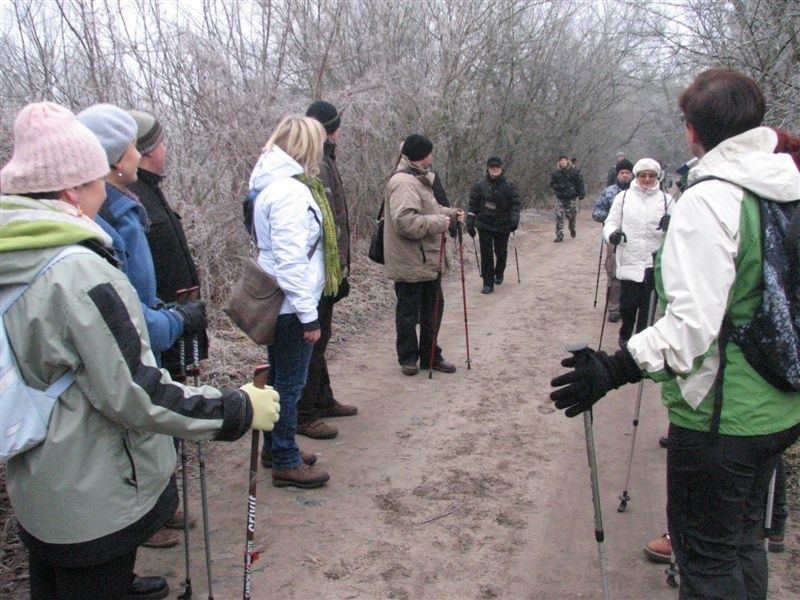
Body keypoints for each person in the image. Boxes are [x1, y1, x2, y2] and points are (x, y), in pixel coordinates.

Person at [0, 101, 280, 600]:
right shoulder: (78, 272)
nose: (102, 195)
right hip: (95, 498)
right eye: (94, 185)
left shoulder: (15, 253)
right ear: (70, 191)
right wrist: (235, 409)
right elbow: (134, 392)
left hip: (41, 486)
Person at [551, 69, 800, 599]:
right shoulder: (787, 183)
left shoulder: (711, 199)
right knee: (741, 543)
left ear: (690, 130)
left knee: (707, 562)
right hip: (780, 407)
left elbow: (692, 326)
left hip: (720, 417)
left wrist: (616, 368)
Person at [78, 103, 206, 550]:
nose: (141, 151)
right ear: (117, 157)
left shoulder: (129, 202)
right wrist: (174, 320)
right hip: (147, 335)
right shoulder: (111, 216)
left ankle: (149, 515)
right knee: (135, 427)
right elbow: (128, 309)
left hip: (157, 324)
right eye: (133, 145)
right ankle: (141, 522)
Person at [249, 114, 334, 489]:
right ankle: (284, 457)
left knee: (282, 378)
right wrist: (308, 315)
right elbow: (290, 260)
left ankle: (276, 447)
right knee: (289, 384)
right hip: (289, 305)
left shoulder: (270, 183)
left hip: (284, 303)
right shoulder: (288, 191)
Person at [127, 109, 209, 381]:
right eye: (161, 143)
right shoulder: (132, 198)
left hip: (178, 324)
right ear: (148, 150)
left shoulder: (150, 189)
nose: (165, 149)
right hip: (161, 326)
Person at [292, 100, 358, 442]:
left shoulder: (326, 157)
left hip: (329, 269)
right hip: (314, 270)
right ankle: (305, 412)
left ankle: (322, 398)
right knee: (312, 340)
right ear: (329, 128)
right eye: (337, 126)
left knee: (324, 337)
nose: (340, 131)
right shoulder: (312, 162)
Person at [383, 134, 464, 375]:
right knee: (408, 313)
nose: (432, 156)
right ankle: (408, 358)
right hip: (411, 260)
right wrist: (442, 222)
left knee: (434, 308)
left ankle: (430, 355)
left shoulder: (419, 179)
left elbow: (429, 208)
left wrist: (450, 213)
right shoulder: (404, 183)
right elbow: (406, 222)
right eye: (430, 152)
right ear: (423, 155)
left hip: (427, 259)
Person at [602, 158, 674, 347]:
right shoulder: (623, 198)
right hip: (629, 258)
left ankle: (641, 347)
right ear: (637, 176)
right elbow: (610, 223)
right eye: (643, 175)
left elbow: (681, 232)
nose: (647, 179)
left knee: (648, 308)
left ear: (657, 177)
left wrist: (671, 224)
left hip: (654, 262)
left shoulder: (666, 201)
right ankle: (625, 335)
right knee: (627, 306)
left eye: (651, 176)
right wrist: (612, 235)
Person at [467, 156, 521, 294]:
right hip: (484, 224)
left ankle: (499, 271)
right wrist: (470, 222)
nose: (495, 170)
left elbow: (515, 204)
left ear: (501, 168)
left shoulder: (509, 186)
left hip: (503, 225)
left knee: (500, 252)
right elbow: (472, 206)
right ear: (488, 169)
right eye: (492, 167)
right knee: (486, 254)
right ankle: (487, 283)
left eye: (497, 167)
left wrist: (515, 218)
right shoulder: (479, 186)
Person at [592, 158, 634, 323]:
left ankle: (628, 305)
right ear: (617, 175)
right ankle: (613, 307)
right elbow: (596, 213)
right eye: (622, 173)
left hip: (633, 238)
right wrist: (610, 217)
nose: (625, 175)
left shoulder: (638, 193)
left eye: (627, 173)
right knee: (613, 271)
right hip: (613, 237)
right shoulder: (609, 192)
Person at [549, 154, 585, 242]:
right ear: (559, 162)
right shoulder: (555, 173)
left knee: (571, 216)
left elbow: (580, 183)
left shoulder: (574, 171)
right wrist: (557, 187)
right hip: (560, 197)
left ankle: (572, 228)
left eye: (564, 160)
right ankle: (559, 235)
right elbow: (551, 183)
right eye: (561, 161)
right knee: (559, 215)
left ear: (567, 161)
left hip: (571, 197)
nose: (563, 162)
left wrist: (581, 194)